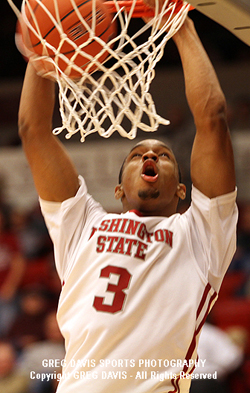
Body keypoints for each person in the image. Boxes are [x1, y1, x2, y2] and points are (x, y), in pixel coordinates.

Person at [17, 14, 238, 393]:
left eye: (163, 155)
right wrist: (43, 44)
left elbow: (213, 119)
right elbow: (33, 131)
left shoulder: (202, 231)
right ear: (117, 191)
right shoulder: (81, 223)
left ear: (183, 191)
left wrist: (178, 22)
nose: (149, 156)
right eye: (136, 155)